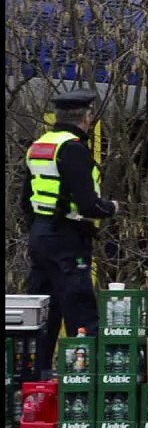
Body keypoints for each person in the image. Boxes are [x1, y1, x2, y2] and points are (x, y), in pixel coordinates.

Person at [24, 88, 120, 378]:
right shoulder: (74, 149)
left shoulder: (40, 146)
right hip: (66, 237)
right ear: (86, 118)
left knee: (42, 311)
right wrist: (111, 208)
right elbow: (88, 205)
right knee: (79, 308)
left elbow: (24, 199)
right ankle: (83, 379)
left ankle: (35, 378)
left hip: (40, 235)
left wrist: (39, 228)